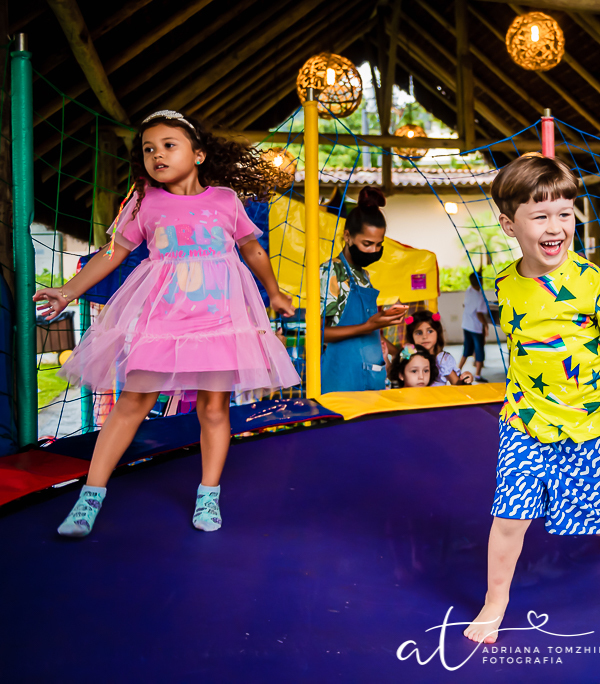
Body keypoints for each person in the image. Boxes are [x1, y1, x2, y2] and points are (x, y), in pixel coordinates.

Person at [33, 110, 300, 537]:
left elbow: (252, 248)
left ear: (198, 154)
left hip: (218, 321)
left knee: (214, 408)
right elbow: (112, 253)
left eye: (168, 145)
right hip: (163, 320)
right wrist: (68, 291)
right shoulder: (145, 201)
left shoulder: (226, 200)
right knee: (132, 403)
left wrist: (273, 290)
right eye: (148, 149)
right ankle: (90, 496)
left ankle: (208, 493)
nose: (157, 154)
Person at [463, 154, 600, 645]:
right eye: (540, 214)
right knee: (510, 516)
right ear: (509, 225)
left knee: (592, 521)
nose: (556, 226)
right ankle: (495, 599)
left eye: (565, 214)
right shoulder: (504, 282)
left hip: (587, 428)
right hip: (525, 422)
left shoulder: (593, 283)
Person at [320, 187, 408, 393]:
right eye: (367, 243)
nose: (374, 251)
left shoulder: (364, 276)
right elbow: (320, 334)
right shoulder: (332, 272)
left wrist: (402, 352)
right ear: (348, 236)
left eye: (379, 245)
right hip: (343, 377)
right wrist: (367, 326)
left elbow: (371, 330)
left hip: (373, 374)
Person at [403, 309, 473, 385]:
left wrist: (466, 377)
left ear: (437, 333)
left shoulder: (442, 360)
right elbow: (394, 369)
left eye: (430, 331)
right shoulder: (408, 354)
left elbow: (457, 384)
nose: (425, 336)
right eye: (419, 333)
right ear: (411, 336)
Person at [458, 271, 490, 382]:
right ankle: (478, 375)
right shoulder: (480, 296)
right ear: (480, 281)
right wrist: (485, 325)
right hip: (476, 327)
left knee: (467, 349)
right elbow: (479, 314)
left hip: (466, 324)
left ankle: (458, 370)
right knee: (479, 350)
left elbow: (464, 304)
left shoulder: (469, 290)